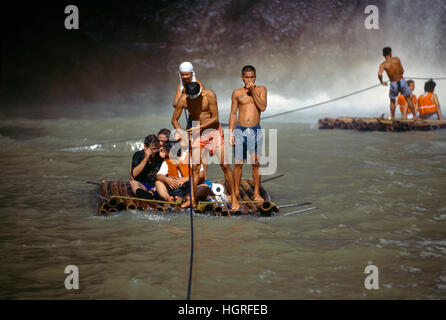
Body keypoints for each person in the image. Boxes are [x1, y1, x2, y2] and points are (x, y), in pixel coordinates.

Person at [172, 82, 240, 210]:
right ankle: (192, 199)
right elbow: (174, 120)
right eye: (190, 98)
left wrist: (199, 126)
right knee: (195, 168)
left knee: (225, 165)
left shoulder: (209, 95)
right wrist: (183, 134)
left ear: (200, 92)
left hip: (214, 132)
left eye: (196, 97)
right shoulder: (184, 99)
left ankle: (234, 197)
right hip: (198, 136)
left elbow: (215, 118)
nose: (194, 100)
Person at [229, 65, 267, 202]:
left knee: (255, 163)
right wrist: (230, 134)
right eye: (247, 77)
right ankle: (236, 193)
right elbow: (233, 113)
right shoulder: (237, 92)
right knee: (238, 163)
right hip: (240, 130)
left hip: (255, 130)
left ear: (255, 77)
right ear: (242, 78)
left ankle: (256, 193)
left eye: (252, 77)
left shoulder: (261, 89)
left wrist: (253, 91)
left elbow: (262, 107)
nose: (249, 80)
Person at [156, 141, 209, 205]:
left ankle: (184, 199)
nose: (165, 154)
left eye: (166, 151)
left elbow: (201, 174)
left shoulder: (191, 157)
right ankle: (168, 198)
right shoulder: (167, 161)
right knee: (158, 182)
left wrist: (185, 179)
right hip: (175, 189)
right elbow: (159, 175)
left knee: (205, 187)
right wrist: (166, 179)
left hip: (190, 188)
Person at [378, 47, 418, 120]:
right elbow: (402, 71)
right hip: (402, 81)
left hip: (393, 83)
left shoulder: (383, 64)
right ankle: (414, 116)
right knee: (408, 99)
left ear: (383, 54)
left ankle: (393, 117)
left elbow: (380, 74)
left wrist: (382, 82)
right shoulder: (397, 59)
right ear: (391, 53)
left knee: (392, 101)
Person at [129, 135, 163, 199]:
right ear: (145, 147)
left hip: (156, 186)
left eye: (156, 149)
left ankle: (149, 195)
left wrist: (154, 189)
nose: (154, 152)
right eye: (152, 149)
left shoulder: (160, 156)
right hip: (142, 185)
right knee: (132, 183)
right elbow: (134, 175)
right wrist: (145, 158)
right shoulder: (138, 155)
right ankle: (144, 196)